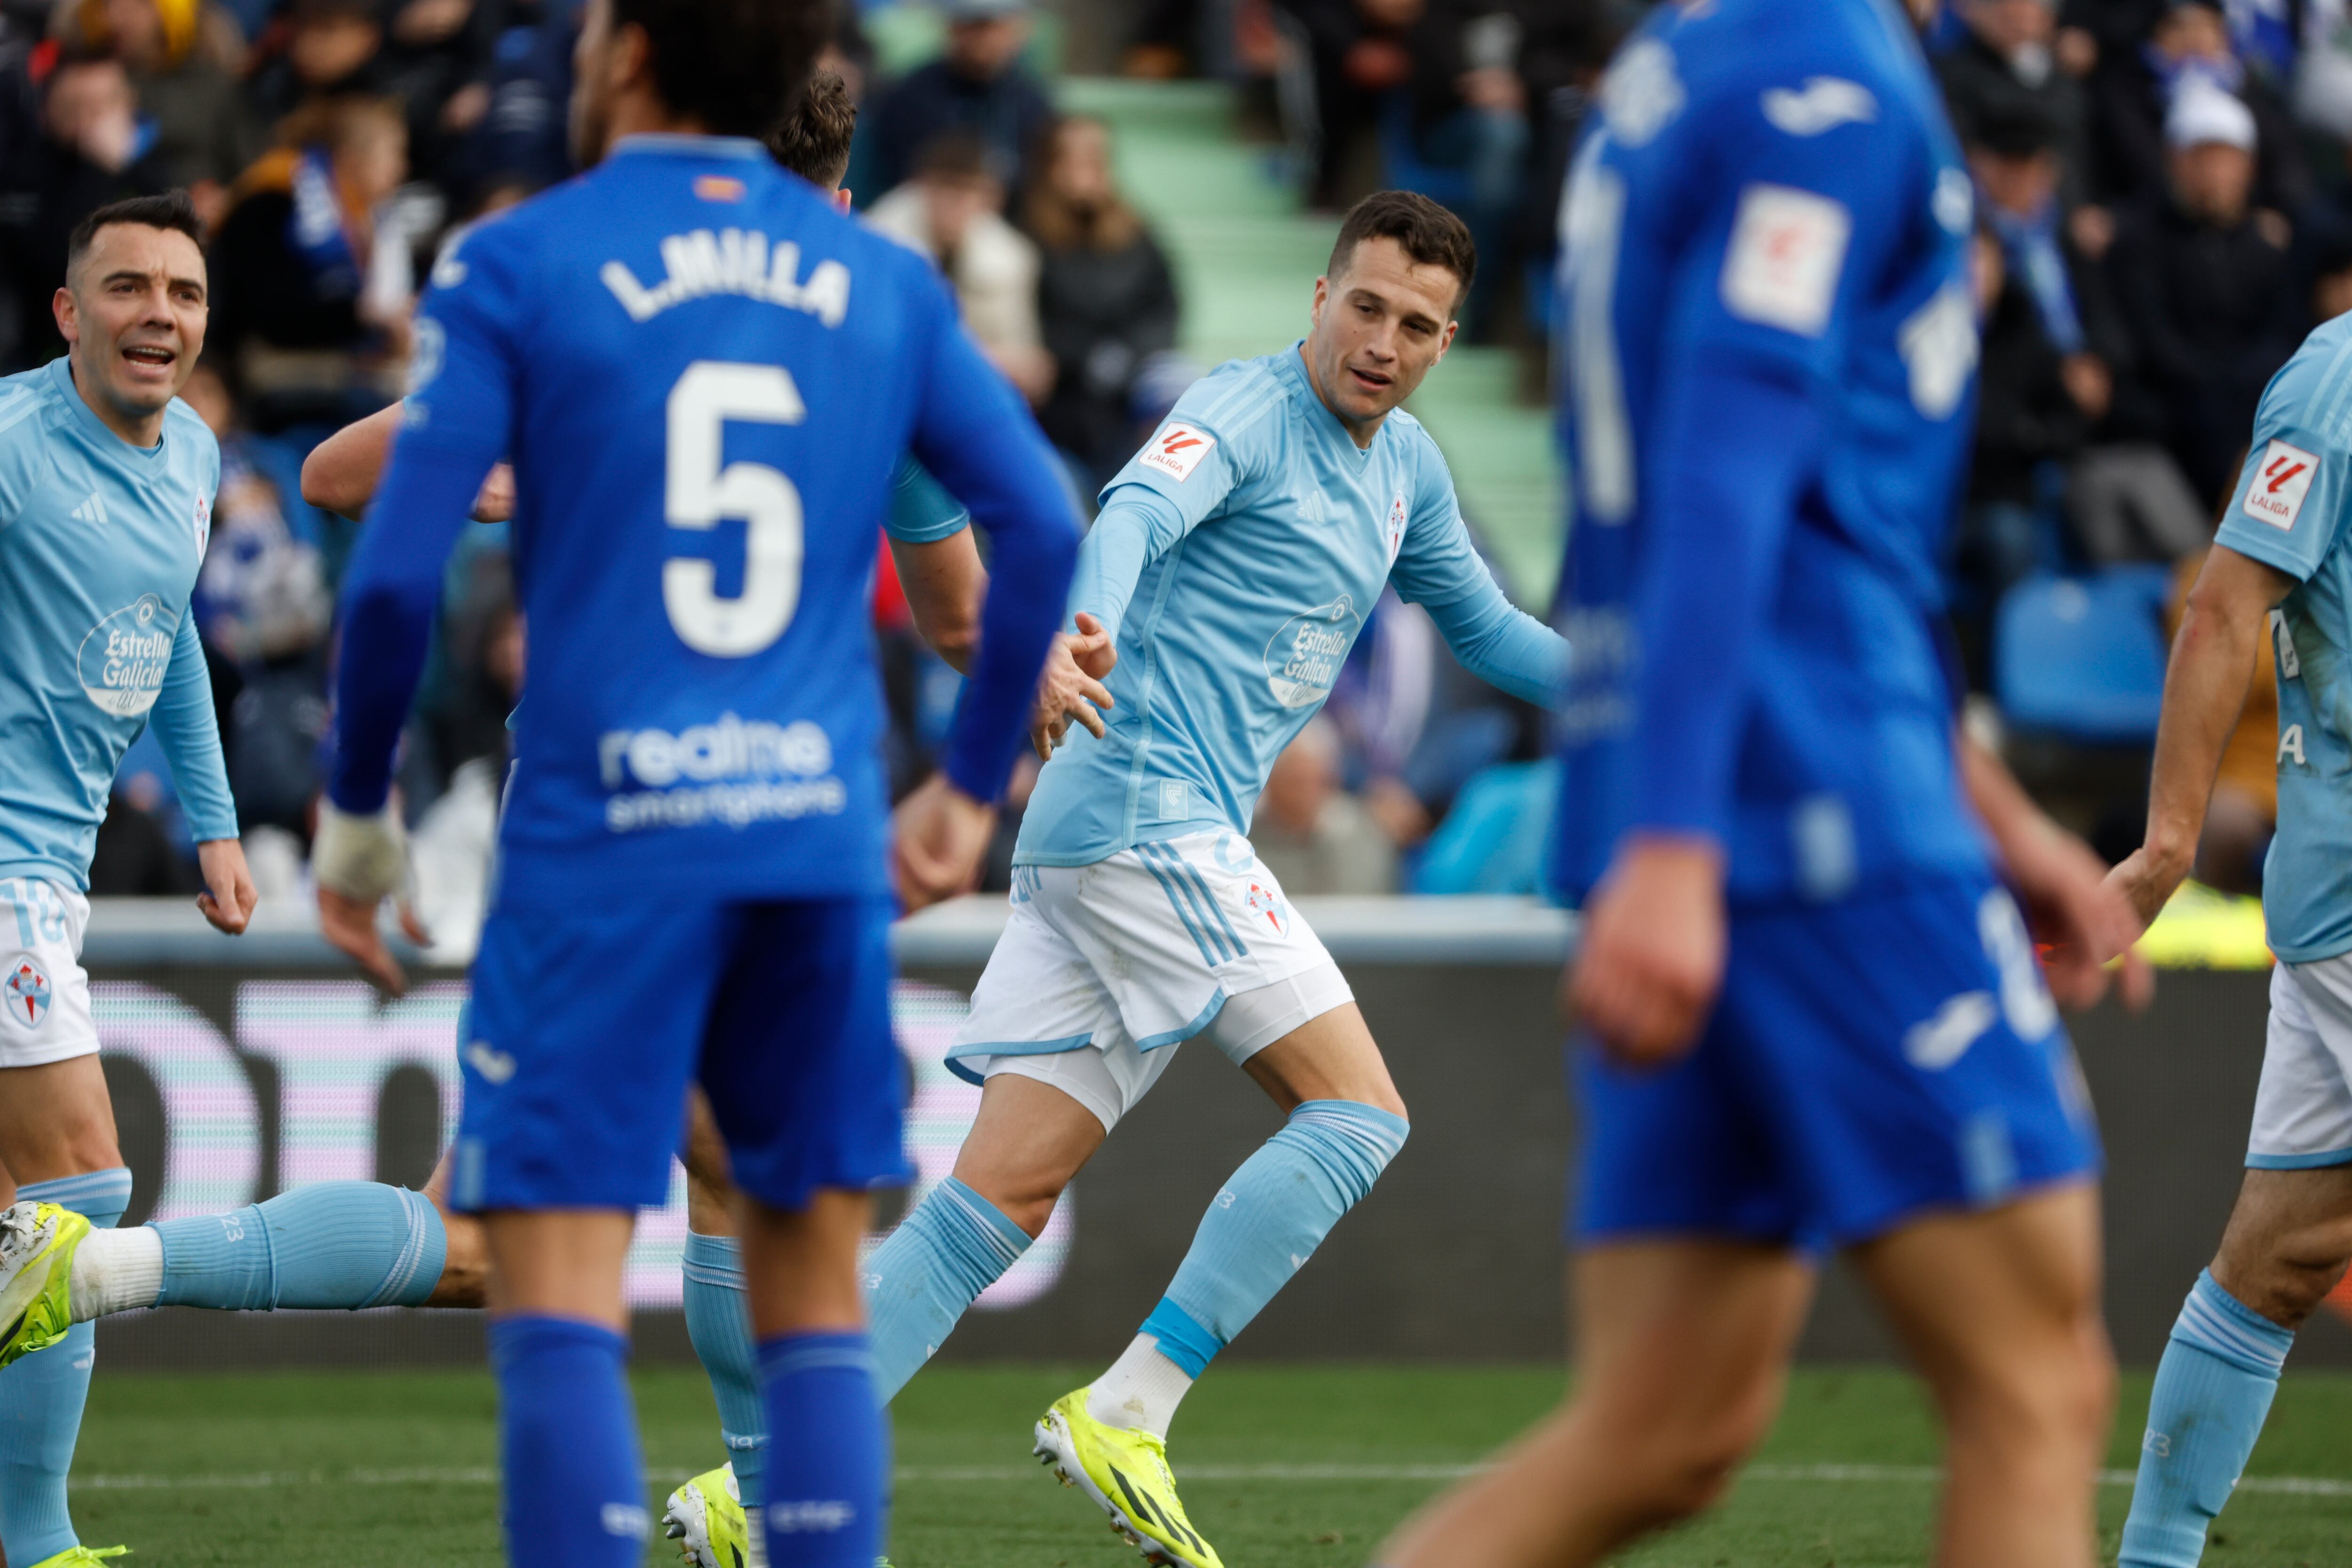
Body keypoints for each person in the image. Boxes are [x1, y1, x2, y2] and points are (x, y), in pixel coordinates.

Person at [1374, 1, 2149, 1565]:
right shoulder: (1825, 83)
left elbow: (1809, 503)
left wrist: (2002, 822)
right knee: (2036, 1383)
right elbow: (1727, 460)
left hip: (1744, 794)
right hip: (1811, 816)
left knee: (1662, 1430)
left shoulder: (1689, 66)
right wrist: (1681, 841)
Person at [306, 0, 1079, 1562]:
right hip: (805, 838)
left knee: (557, 1288)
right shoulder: (883, 288)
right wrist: (966, 787)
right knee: (809, 1290)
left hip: (605, 839)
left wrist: (361, 822)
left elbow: (387, 585)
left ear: (638, 58)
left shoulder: (526, 260)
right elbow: (1041, 530)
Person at [858, 190, 1567, 1568]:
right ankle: (1132, 1403)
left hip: (1116, 837)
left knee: (993, 1202)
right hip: (1144, 808)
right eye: (1363, 306)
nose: (1382, 340)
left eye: (1416, 325)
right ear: (1316, 295)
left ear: (1444, 341)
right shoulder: (1240, 410)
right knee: (1357, 1115)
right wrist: (1089, 642)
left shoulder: (1405, 466)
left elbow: (1481, 623)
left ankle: (764, 1486)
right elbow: (1125, 516)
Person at [0, 192, 479, 1568]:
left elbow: (169, 643)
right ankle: (37, 1541)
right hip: (7, 863)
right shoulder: (16, 448)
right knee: (78, 1193)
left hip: (54, 863)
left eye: (184, 294)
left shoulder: (198, 451)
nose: (159, 314)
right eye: (129, 288)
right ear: (68, 313)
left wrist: (214, 825)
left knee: (28, 1218)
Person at [2099, 275, 2352, 1568]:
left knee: (2284, 1253)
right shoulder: (2336, 381)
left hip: (2331, 898)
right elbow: (2221, 604)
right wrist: (2167, 846)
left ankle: (2154, 1552)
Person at [2104, 82, 2306, 508]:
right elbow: (2152, 340)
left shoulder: (2267, 246)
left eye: (2226, 159)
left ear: (2248, 167)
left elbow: (2283, 332)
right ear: (2173, 161)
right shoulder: (2138, 242)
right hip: (2177, 423)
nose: (2214, 174)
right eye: (2201, 158)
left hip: (2257, 411)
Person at [1025, 115, 1180, 492]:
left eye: (1092, 161)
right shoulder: (1026, 230)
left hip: (1129, 382)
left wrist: (1128, 352)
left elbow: (1164, 306)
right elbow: (1031, 314)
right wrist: (1082, 357)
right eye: (1071, 161)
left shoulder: (1134, 231)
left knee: (1182, 382)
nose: (1083, 173)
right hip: (1058, 392)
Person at [866, 130, 1053, 406]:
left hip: (969, 401)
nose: (956, 205)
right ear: (922, 187)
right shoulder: (876, 243)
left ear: (992, 198)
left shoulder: (1012, 259)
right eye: (946, 189)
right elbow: (876, 348)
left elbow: (1023, 361)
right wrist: (986, 358)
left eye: (968, 191)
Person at [858, 0, 1054, 201]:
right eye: (971, 25)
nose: (982, 38)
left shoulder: (1033, 103)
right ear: (952, 27)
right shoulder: (910, 97)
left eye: (992, 26)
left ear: (1018, 30)